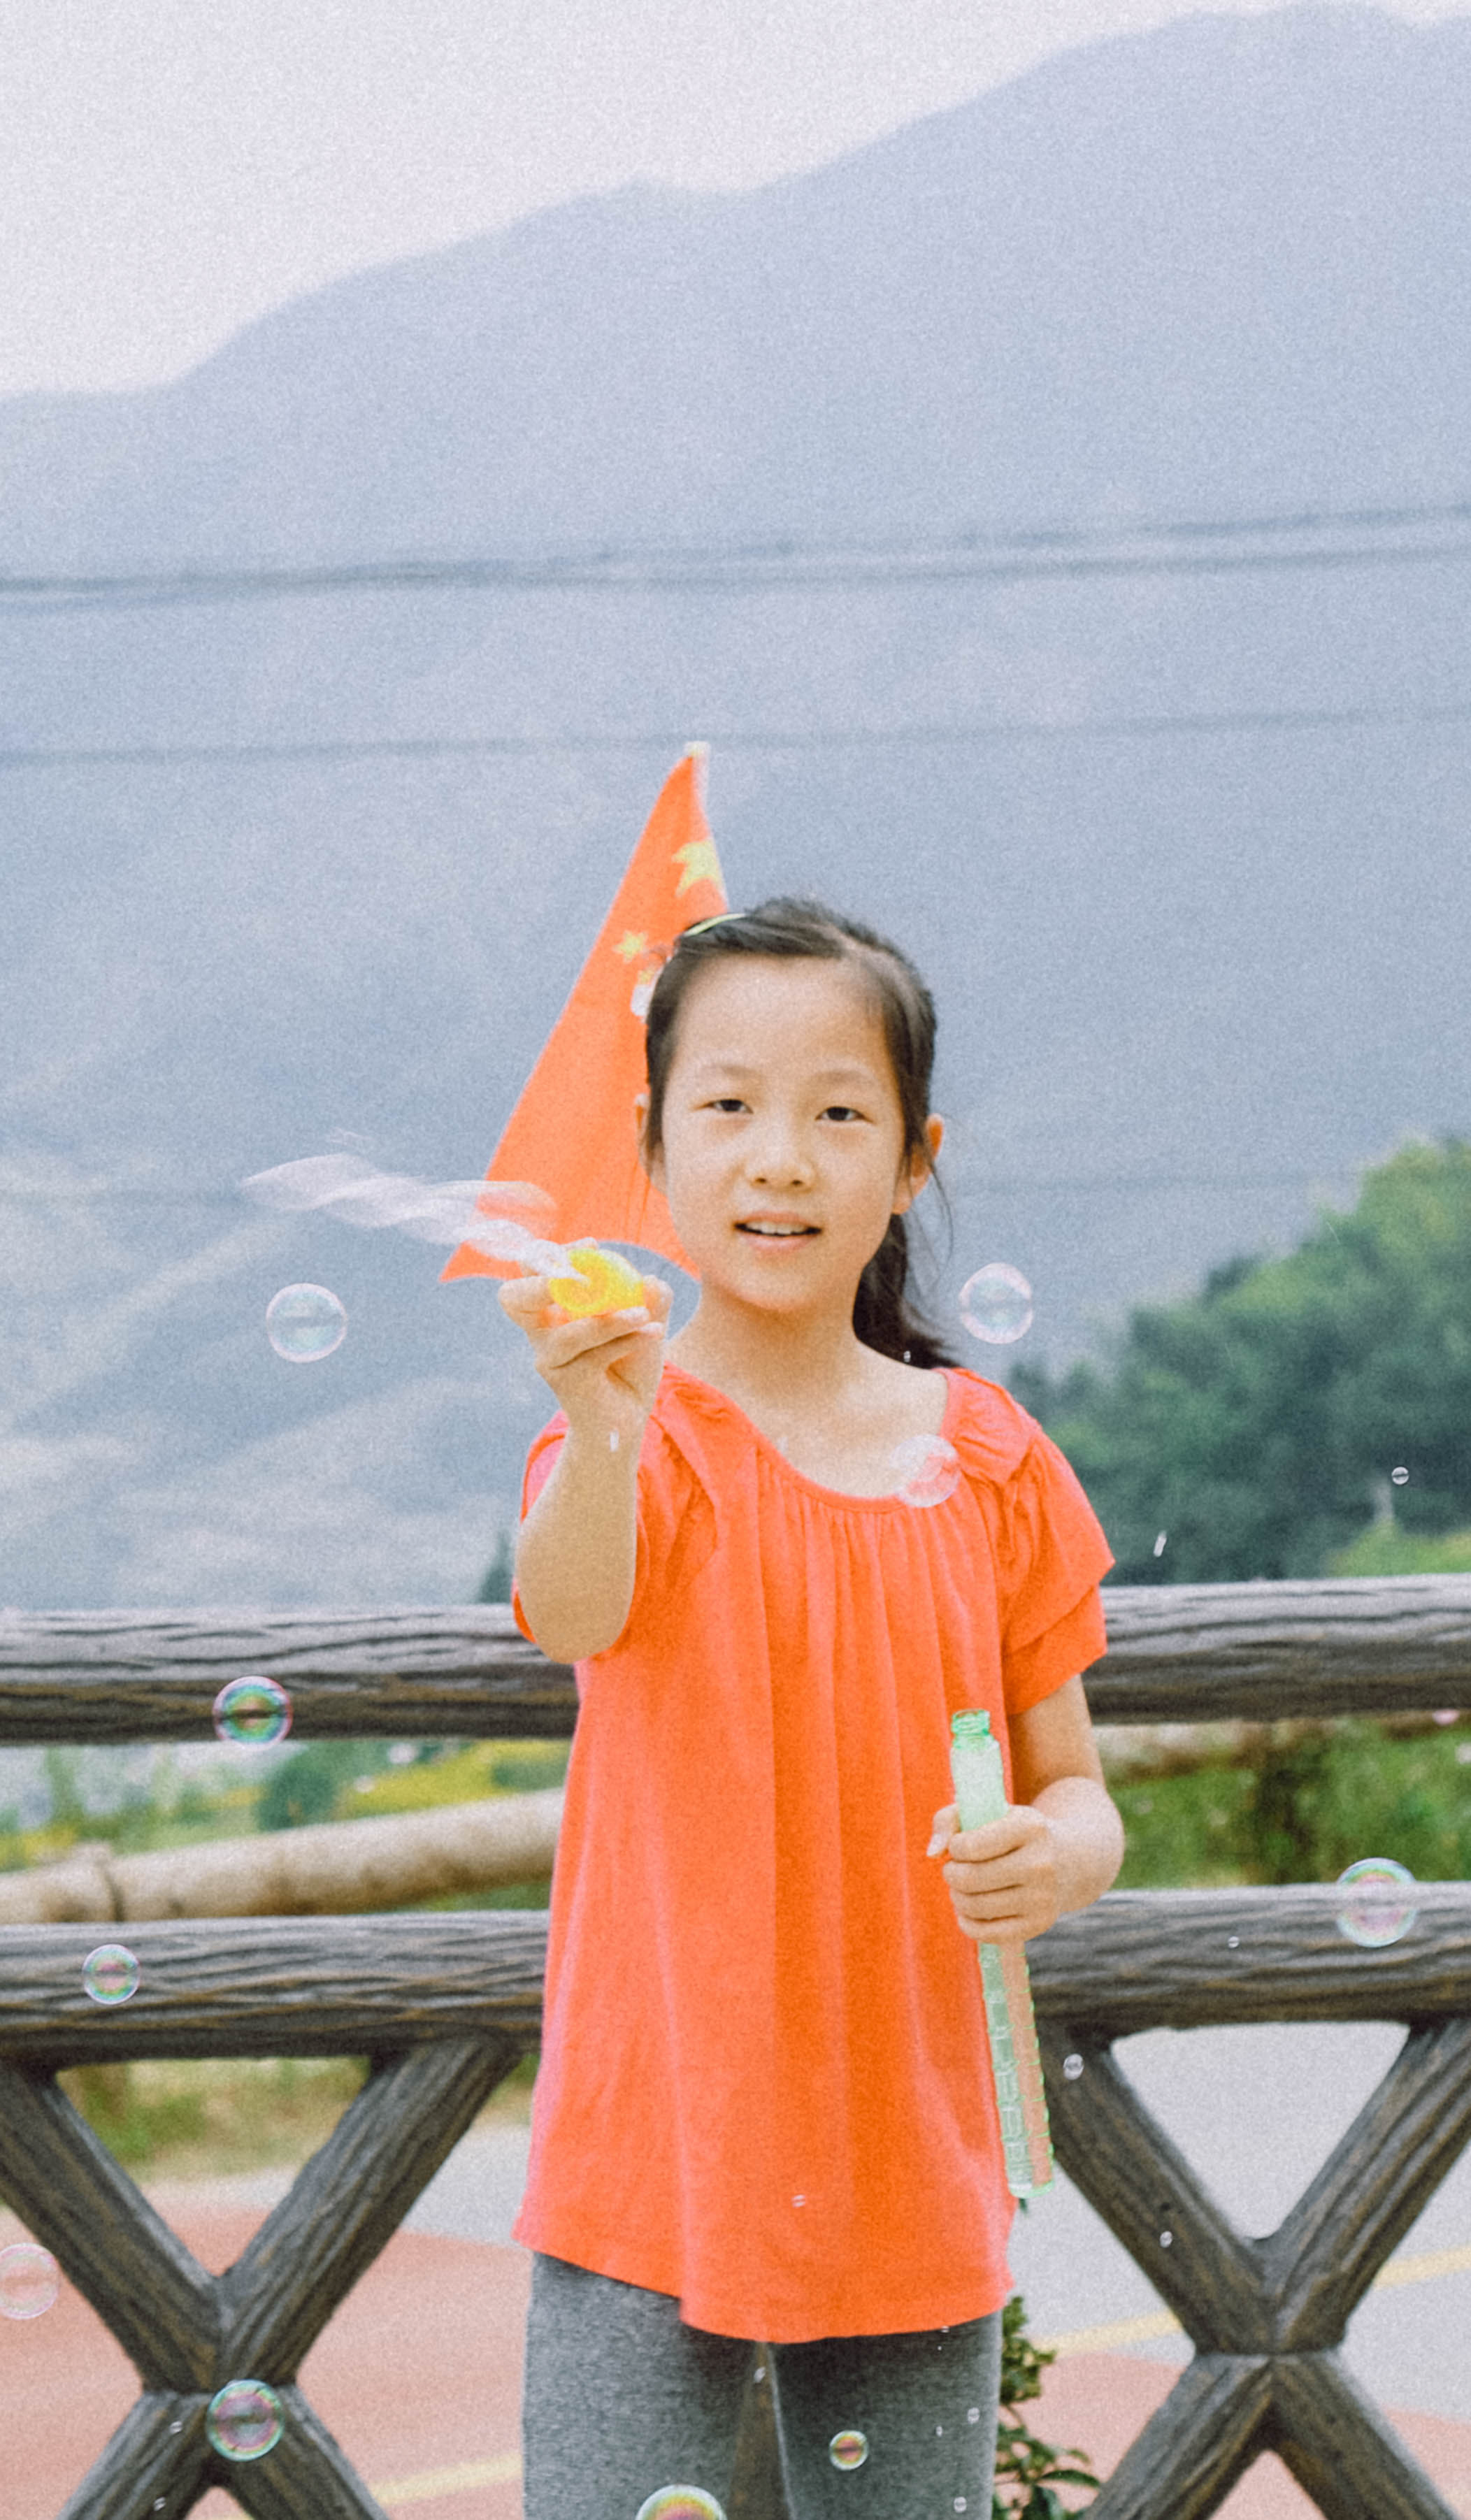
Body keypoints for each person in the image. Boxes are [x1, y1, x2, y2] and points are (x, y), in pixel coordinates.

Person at [501, 897, 1120, 2520]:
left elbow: (1079, 1792)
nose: (780, 1159)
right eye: (728, 1106)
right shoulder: (634, 1432)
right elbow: (572, 1612)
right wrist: (603, 1425)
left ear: (915, 1160)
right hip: (654, 2149)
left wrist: (1056, 1859)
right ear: (651, 1148)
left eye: (839, 1115)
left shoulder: (988, 1461)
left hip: (908, 2156)